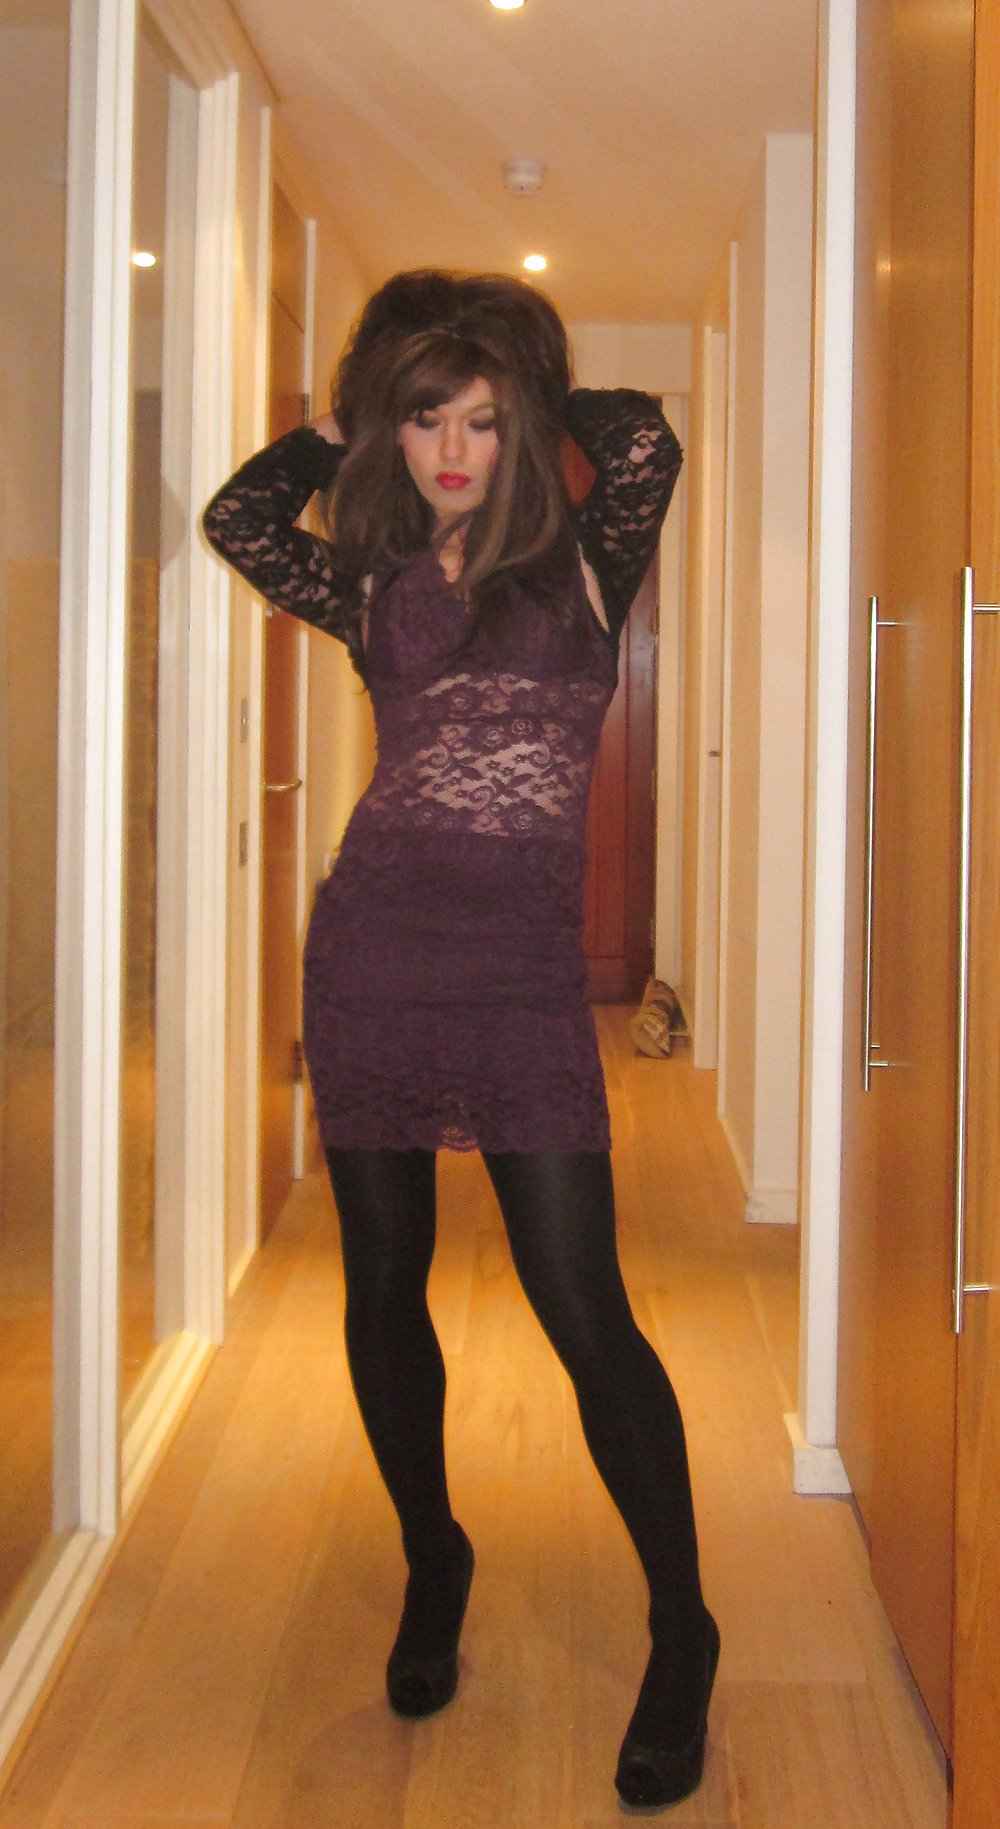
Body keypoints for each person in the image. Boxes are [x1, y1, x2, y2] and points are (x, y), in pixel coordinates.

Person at [203, 269, 719, 1812]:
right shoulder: (369, 579)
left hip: (519, 978)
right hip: (372, 954)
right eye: (424, 417)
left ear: (521, 429)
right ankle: (436, 1554)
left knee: (582, 1302)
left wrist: (519, 378)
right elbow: (239, 517)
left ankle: (683, 1626)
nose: (448, 448)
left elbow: (645, 440)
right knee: (381, 1282)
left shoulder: (588, 564)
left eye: (480, 420)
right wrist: (340, 417)